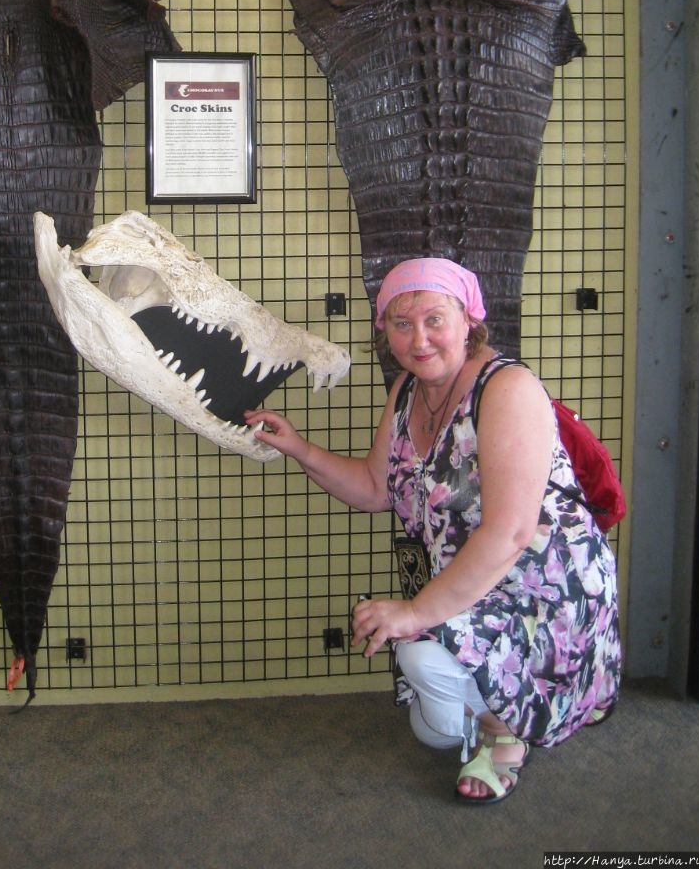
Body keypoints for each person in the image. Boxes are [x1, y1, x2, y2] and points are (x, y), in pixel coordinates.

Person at [244, 257, 621, 805]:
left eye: (434, 320)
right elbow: (375, 488)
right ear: (385, 330)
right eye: (402, 323)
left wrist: (416, 613)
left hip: (545, 592)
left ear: (469, 319)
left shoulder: (507, 388)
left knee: (420, 659)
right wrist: (299, 448)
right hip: (476, 583)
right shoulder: (408, 390)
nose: (418, 340)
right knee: (434, 726)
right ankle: (497, 705)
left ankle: (505, 733)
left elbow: (510, 533)